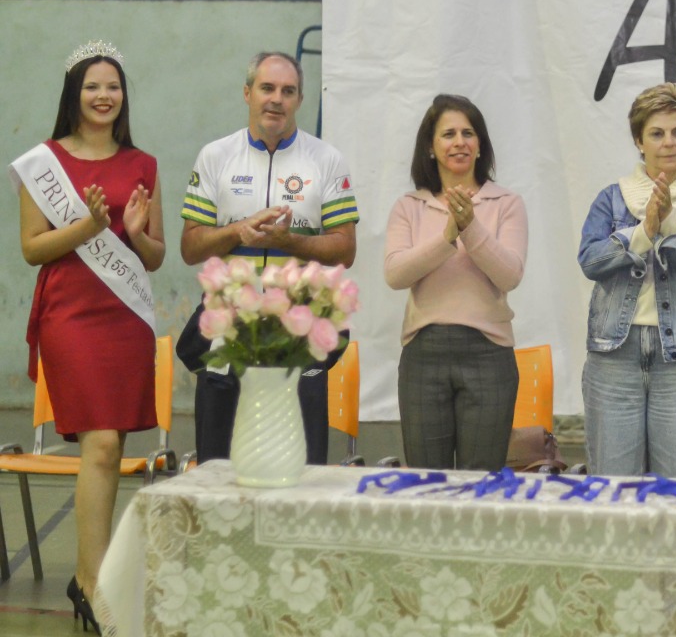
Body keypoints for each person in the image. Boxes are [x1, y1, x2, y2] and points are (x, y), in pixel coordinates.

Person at [12, 41, 165, 633]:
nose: (105, 96)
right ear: (74, 94)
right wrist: (90, 226)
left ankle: (87, 579)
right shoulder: (41, 163)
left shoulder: (143, 163)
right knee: (100, 445)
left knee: (109, 448)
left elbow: (151, 257)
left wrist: (129, 230)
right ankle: (94, 582)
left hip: (123, 314)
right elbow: (32, 250)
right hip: (70, 315)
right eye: (93, 86)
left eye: (114, 86)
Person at [180, 52, 358, 465]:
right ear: (247, 93)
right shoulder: (215, 156)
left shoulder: (326, 160)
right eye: (267, 88)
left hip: (300, 330)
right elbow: (191, 247)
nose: (276, 99)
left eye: (288, 91)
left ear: (298, 99)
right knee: (218, 462)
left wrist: (290, 241)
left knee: (301, 462)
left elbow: (345, 248)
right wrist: (236, 231)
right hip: (229, 327)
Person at [577, 84, 676, 477]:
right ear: (639, 141)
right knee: (614, 488)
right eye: (657, 134)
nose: (670, 143)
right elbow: (590, 261)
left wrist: (672, 221)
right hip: (615, 355)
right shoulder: (612, 199)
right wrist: (643, 231)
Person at [384, 95, 527, 469]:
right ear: (431, 148)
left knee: (480, 485)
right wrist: (448, 235)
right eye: (448, 134)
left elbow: (509, 274)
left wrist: (470, 227)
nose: (459, 142)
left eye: (468, 133)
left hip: (488, 355)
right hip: (423, 356)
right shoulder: (409, 206)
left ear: (480, 146)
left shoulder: (506, 203)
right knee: (426, 482)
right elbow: (396, 274)